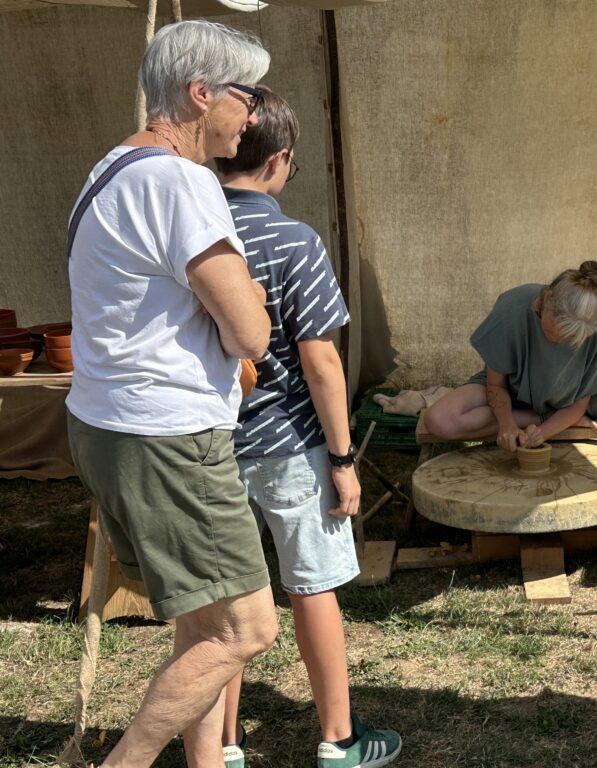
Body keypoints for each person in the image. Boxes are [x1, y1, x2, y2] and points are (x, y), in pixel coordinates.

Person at [66, 21, 279, 768]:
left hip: (109, 425)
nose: (252, 115)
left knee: (202, 621)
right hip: (167, 436)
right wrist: (248, 298)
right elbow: (250, 335)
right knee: (245, 630)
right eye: (245, 96)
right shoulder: (182, 181)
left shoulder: (112, 167)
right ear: (201, 95)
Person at [214, 86, 402, 768]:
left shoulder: (187, 232)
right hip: (290, 445)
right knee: (311, 587)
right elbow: (321, 361)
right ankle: (338, 739)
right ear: (281, 161)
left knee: (224, 606)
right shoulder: (293, 240)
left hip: (207, 449)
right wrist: (343, 455)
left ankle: (224, 748)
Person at [423, 262, 597, 537]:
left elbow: (581, 401)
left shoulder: (590, 325)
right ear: (544, 302)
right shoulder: (512, 309)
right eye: (553, 333)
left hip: (576, 398)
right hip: (517, 392)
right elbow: (495, 385)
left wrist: (544, 433)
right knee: (439, 420)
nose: (558, 343)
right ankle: (541, 416)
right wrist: (507, 425)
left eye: (569, 339)